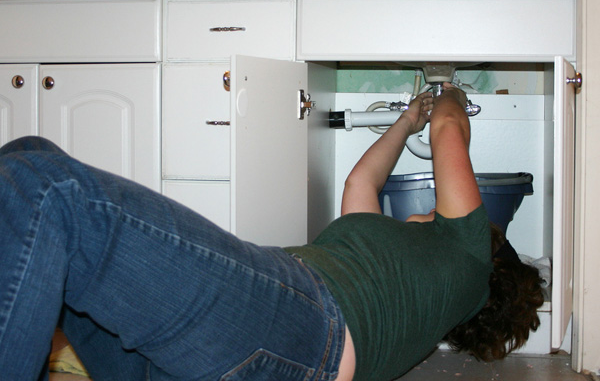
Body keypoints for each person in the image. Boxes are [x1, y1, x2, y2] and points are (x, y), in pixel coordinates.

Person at [0, 83, 543, 381]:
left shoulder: (470, 257)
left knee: (48, 191)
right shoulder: (399, 270)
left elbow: (452, 128)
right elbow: (363, 181)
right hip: (274, 347)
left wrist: (447, 90)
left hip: (305, 327)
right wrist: (406, 120)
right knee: (32, 157)